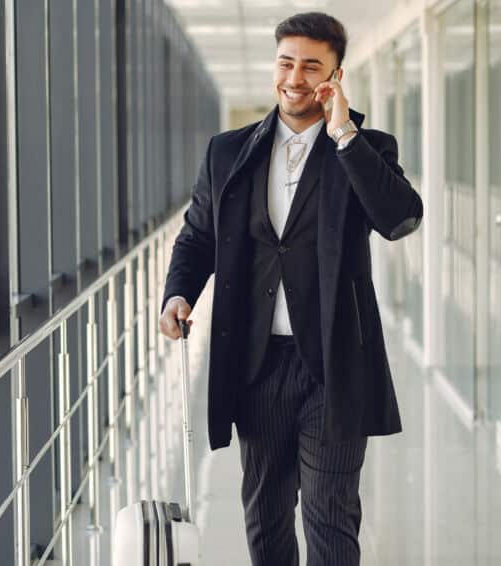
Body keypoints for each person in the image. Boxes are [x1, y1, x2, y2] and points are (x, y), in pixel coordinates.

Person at [158, 11, 423, 566]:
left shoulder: (364, 147)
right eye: (285, 62)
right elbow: (198, 236)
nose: (294, 78)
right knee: (264, 514)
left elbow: (400, 218)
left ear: (335, 76)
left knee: (329, 513)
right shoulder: (227, 152)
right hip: (255, 363)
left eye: (311, 66)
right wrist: (178, 294)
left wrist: (344, 134)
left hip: (333, 364)